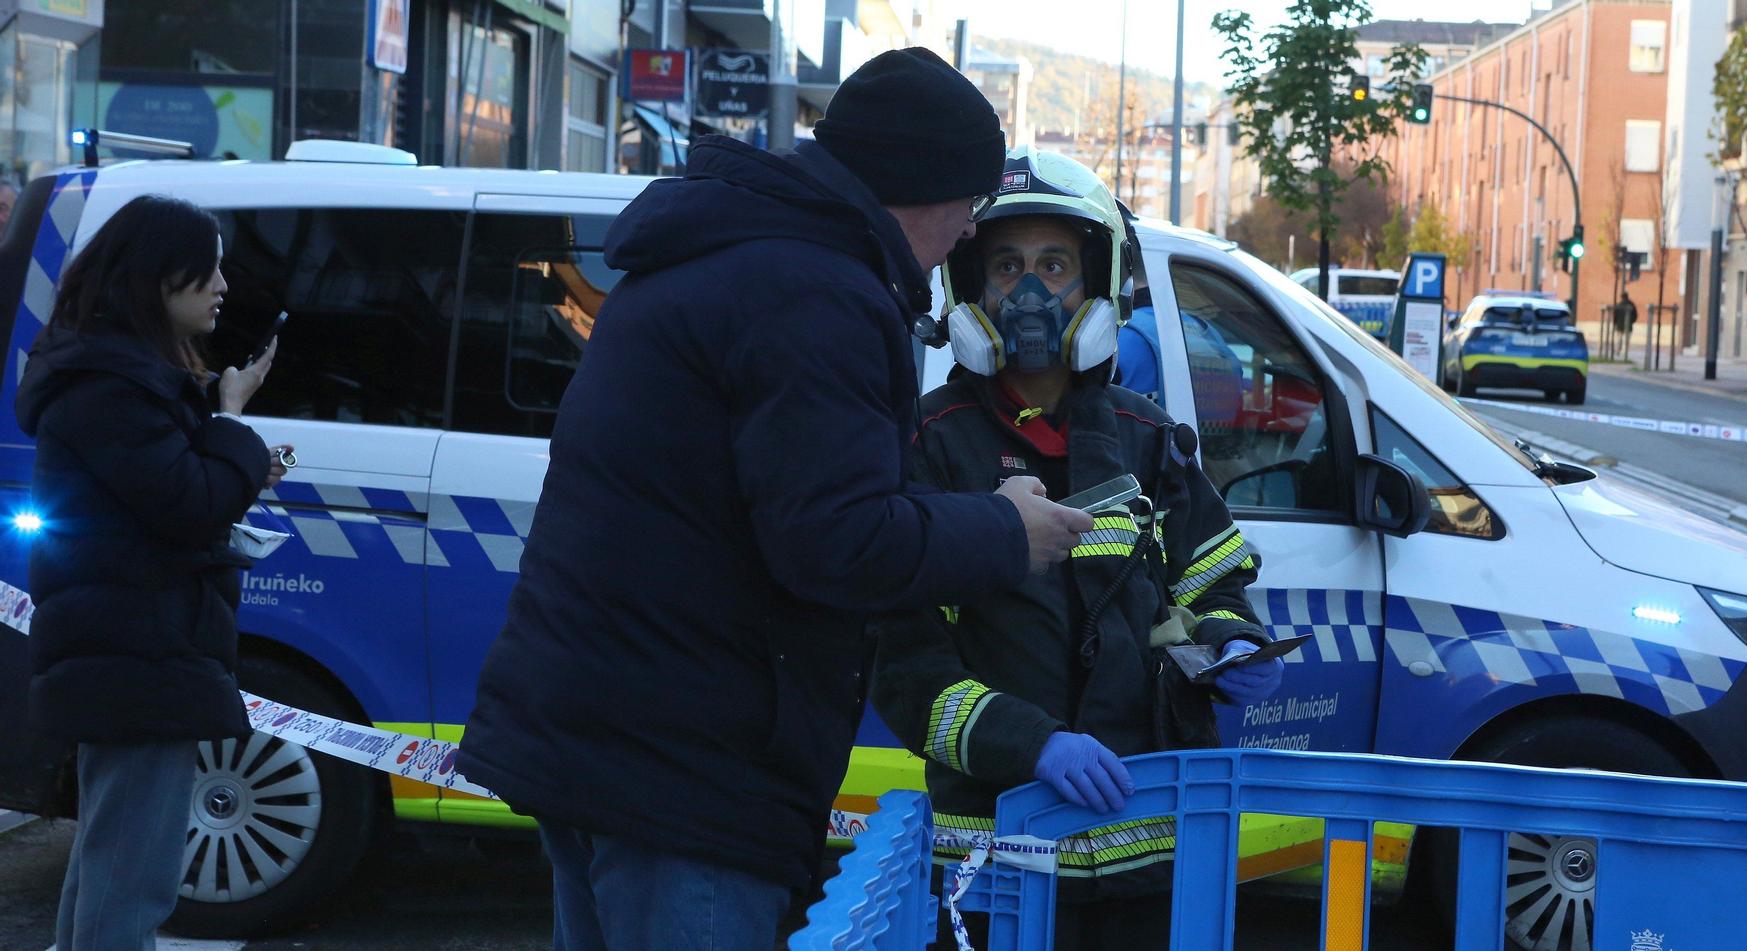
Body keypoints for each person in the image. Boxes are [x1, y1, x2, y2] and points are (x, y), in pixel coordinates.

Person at [456, 48, 1095, 951]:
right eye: (972, 204)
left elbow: (776, 492)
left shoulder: (738, 255)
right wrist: (1005, 531)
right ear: (922, 183)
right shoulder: (815, 291)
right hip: (687, 770)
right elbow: (833, 543)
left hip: (610, 736)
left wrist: (953, 509)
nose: (967, 234)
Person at [870, 147, 1284, 950]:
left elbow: (1211, 579)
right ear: (971, 287)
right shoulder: (926, 444)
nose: (1030, 291)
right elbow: (907, 670)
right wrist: (1034, 742)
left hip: (1147, 858)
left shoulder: (1149, 439)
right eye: (1007, 265)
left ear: (1096, 281)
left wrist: (1230, 635)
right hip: (994, 859)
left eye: (1054, 264)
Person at [16, 194, 288, 950]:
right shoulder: (112, 383)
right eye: (209, 267)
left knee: (114, 868)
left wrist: (223, 433)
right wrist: (230, 418)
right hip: (138, 655)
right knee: (131, 877)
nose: (224, 285)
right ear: (157, 275)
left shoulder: (114, 373)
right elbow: (187, 503)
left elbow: (168, 493)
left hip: (135, 650)